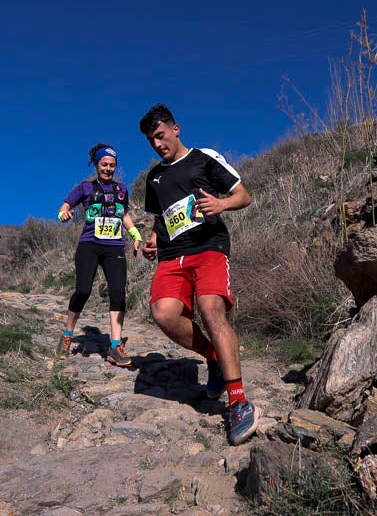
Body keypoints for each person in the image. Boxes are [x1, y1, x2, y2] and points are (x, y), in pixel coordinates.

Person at [138, 104, 260, 445]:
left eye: (160, 135)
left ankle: (238, 402)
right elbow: (161, 217)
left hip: (208, 247)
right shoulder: (154, 178)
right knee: (163, 314)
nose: (157, 144)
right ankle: (213, 358)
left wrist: (221, 204)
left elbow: (243, 195)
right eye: (151, 141)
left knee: (210, 310)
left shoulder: (203, 158)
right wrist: (153, 239)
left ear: (175, 129)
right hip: (172, 255)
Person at [55, 144, 142, 366]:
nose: (108, 169)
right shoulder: (85, 187)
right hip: (89, 245)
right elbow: (64, 208)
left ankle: (115, 346)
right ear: (97, 165)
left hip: (115, 247)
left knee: (118, 292)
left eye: (112, 165)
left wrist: (135, 234)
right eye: (104, 164)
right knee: (83, 290)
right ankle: (67, 335)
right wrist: (64, 215)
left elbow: (124, 215)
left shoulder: (122, 189)